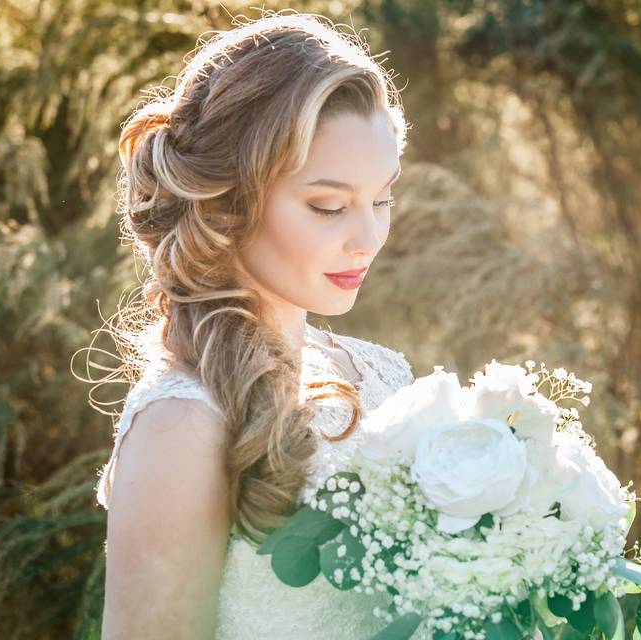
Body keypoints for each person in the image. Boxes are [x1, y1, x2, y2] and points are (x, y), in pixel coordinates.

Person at [90, 11, 426, 639]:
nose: (370, 238)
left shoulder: (379, 373)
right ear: (229, 201)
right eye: (328, 206)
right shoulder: (180, 427)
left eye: (382, 198)